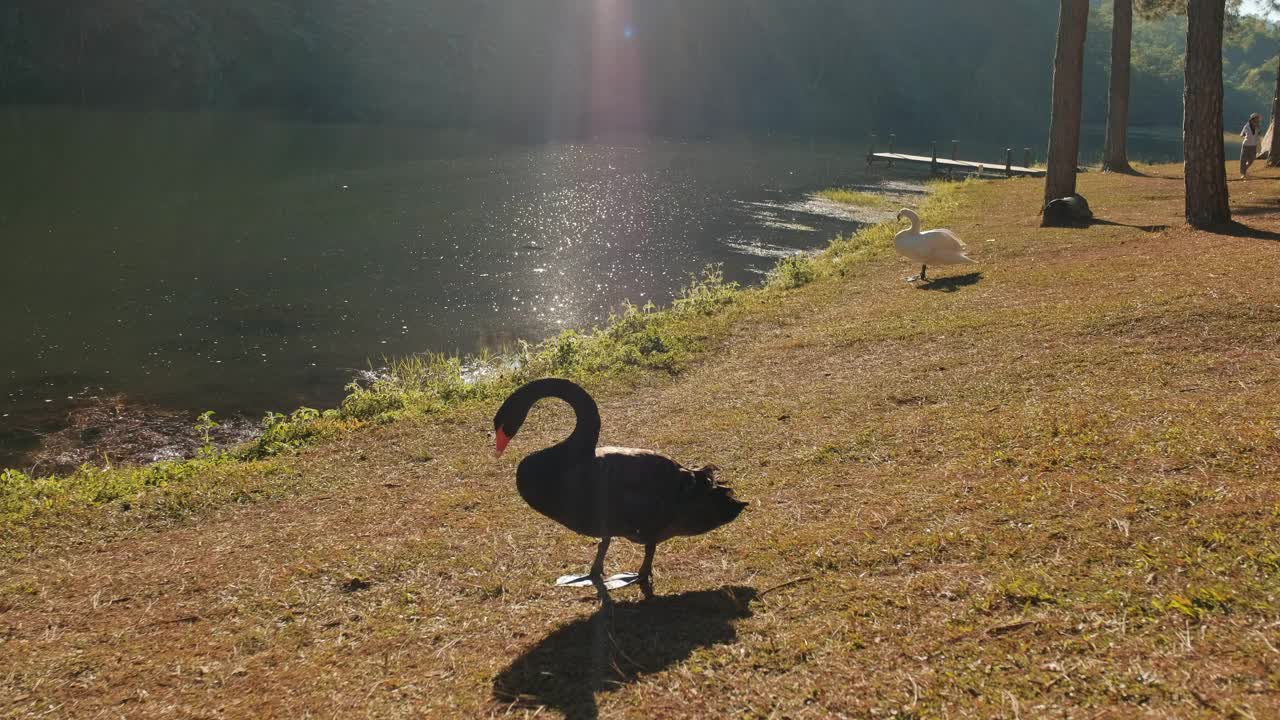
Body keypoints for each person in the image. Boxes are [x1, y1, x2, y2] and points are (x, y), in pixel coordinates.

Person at [1240, 112, 1262, 179]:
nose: (1258, 119)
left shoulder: (1258, 126)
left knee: (1252, 159)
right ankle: (1243, 173)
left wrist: (1258, 131)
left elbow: (1258, 134)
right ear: (1253, 119)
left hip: (1253, 145)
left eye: (1258, 118)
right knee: (1243, 160)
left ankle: (1244, 169)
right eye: (1257, 118)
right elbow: (1242, 134)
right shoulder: (1246, 126)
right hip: (1246, 145)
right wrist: (1243, 135)